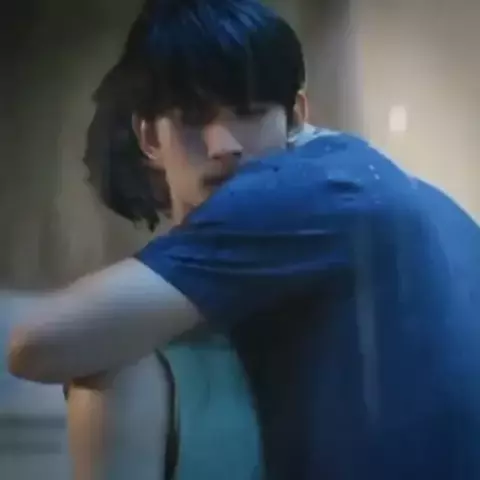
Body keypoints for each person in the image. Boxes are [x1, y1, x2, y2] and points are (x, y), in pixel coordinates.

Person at [6, 0, 480, 479]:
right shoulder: (387, 186)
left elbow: (36, 346)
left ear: (295, 118)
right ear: (149, 137)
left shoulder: (305, 190)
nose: (224, 146)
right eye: (193, 119)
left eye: (249, 114)